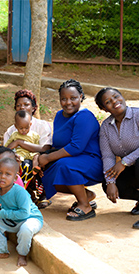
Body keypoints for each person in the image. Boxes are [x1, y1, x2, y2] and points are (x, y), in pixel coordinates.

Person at [36, 79, 103, 221]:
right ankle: (86, 195)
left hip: (91, 161)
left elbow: (76, 147)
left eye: (73, 98)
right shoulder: (59, 115)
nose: (68, 102)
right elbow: (57, 145)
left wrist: (48, 158)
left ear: (81, 97)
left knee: (63, 166)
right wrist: (42, 158)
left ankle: (85, 206)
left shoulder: (84, 116)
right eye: (64, 99)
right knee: (46, 172)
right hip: (70, 159)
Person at [95, 87, 139, 229]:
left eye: (116, 97)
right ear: (104, 109)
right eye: (108, 102)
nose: (115, 102)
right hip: (135, 168)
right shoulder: (106, 127)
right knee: (107, 183)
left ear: (122, 97)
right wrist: (110, 182)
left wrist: (124, 162)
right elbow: (108, 155)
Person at [0, 158, 43, 267]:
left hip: (30, 218)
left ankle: (22, 254)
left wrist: (2, 213)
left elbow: (24, 214)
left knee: (25, 229)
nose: (3, 176)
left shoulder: (19, 192)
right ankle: (1, 251)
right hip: (14, 221)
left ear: (15, 178)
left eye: (8, 174)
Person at [3, 89, 52, 208]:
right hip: (19, 159)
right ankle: (25, 194)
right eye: (19, 105)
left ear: (34, 107)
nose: (22, 107)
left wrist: (19, 142)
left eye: (26, 104)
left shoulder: (42, 125)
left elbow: (45, 148)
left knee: (38, 161)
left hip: (37, 159)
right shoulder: (11, 130)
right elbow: (6, 149)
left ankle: (43, 194)